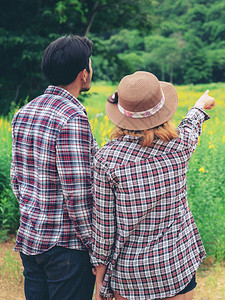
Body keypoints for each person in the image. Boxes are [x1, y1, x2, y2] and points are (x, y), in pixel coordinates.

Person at [91, 71, 215, 300]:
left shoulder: (106, 159)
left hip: (129, 277)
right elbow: (191, 124)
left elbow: (104, 230)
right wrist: (199, 105)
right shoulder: (180, 146)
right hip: (175, 269)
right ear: (163, 109)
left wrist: (99, 282)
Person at [11, 35, 98, 300]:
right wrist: (94, 247)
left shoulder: (25, 111)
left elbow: (17, 179)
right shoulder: (72, 118)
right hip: (67, 248)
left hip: (32, 239)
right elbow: (78, 195)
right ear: (83, 74)